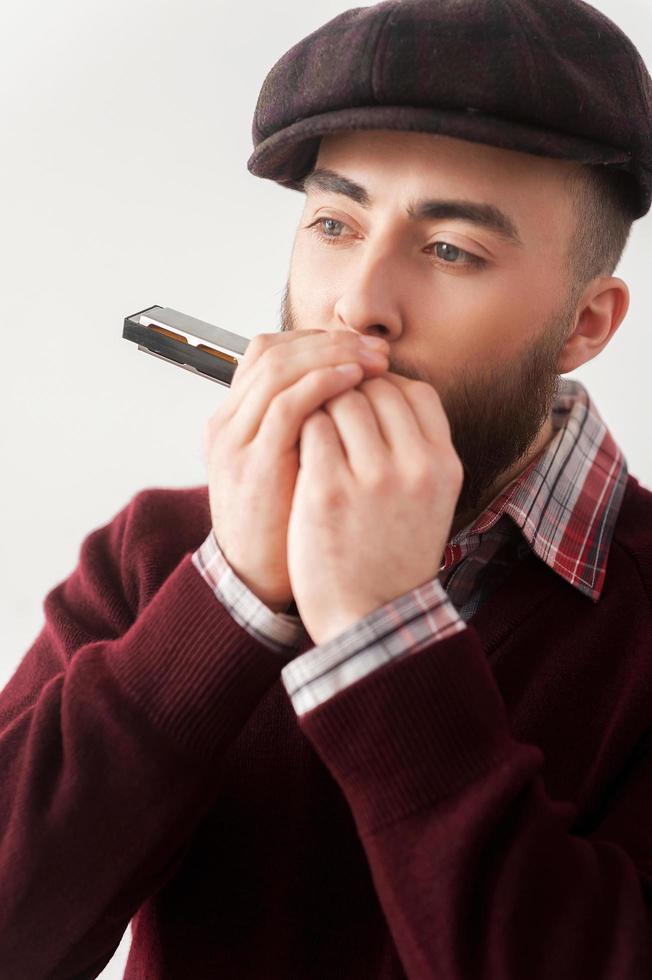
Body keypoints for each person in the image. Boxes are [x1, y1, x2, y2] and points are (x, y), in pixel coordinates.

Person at [1, 0, 651, 976]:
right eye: (335, 223)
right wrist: (232, 594)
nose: (357, 303)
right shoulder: (160, 550)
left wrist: (382, 636)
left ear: (584, 325)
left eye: (450, 251)